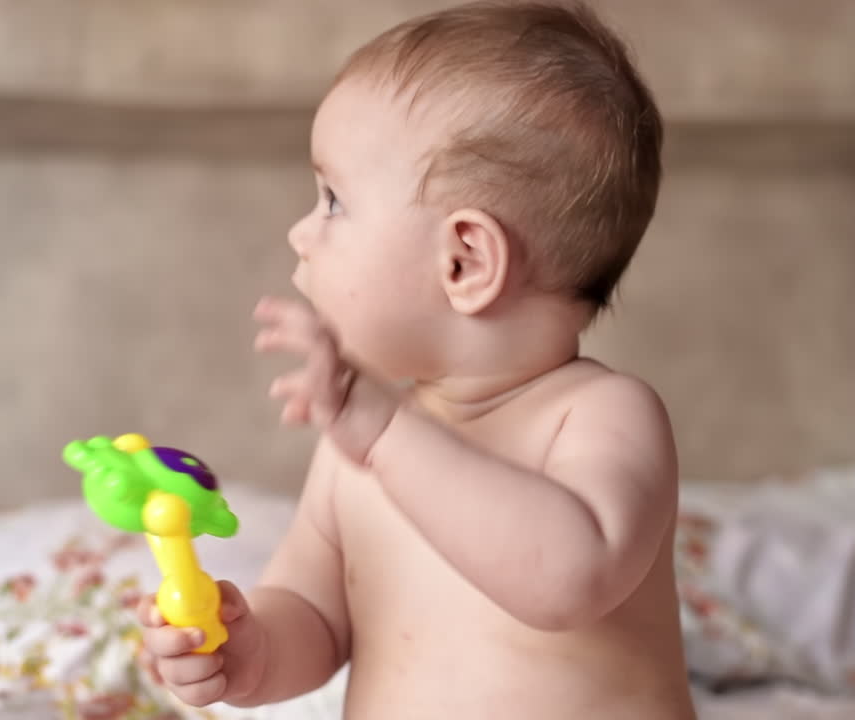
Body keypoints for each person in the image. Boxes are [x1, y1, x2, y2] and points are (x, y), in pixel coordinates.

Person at [138, 2, 695, 717]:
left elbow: (570, 581)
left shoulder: (601, 416)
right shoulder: (354, 452)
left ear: (464, 261)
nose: (300, 233)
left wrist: (384, 434)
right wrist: (245, 648)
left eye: (333, 201)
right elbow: (313, 617)